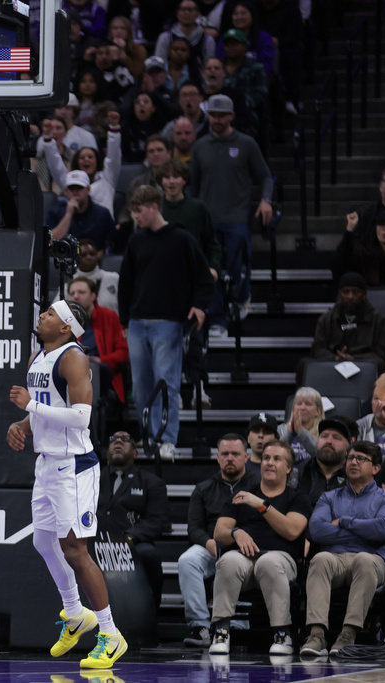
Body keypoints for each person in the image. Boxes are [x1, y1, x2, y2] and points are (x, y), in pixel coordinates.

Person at [4, 299, 126, 667]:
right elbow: (43, 405)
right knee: (43, 540)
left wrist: (31, 408)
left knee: (75, 549)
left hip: (75, 466)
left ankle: (110, 633)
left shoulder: (74, 358)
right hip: (47, 463)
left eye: (51, 313)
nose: (42, 315)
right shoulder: (36, 358)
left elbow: (80, 419)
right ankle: (75, 613)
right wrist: (22, 426)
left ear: (67, 326)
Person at [118, 186, 212, 460]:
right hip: (137, 322)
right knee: (141, 385)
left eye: (139, 210)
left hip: (168, 322)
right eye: (133, 211)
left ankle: (167, 439)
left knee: (166, 381)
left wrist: (199, 306)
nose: (136, 216)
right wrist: (125, 319)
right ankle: (148, 436)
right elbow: (126, 282)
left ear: (154, 207)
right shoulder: (136, 240)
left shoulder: (182, 238)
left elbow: (203, 277)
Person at [209, 440, 311, 656]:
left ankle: (282, 634)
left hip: (281, 561)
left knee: (268, 562)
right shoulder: (242, 494)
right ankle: (221, 631)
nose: (270, 463)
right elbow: (219, 531)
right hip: (244, 561)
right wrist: (235, 532)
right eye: (266, 458)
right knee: (228, 561)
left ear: (289, 467)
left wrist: (262, 505)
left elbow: (292, 530)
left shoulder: (297, 498)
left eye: (277, 459)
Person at [190, 93, 273, 335]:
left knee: (239, 262)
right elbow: (193, 185)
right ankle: (217, 319)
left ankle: (241, 295)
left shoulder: (246, 143)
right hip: (208, 218)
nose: (216, 119)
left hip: (237, 216)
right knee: (210, 271)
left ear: (231, 116)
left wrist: (266, 201)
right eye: (213, 115)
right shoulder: (200, 146)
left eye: (221, 115)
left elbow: (265, 176)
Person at [301, 440, 385, 657]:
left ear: (376, 468)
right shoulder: (329, 497)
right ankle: (317, 635)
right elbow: (317, 530)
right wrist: (366, 529)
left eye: (361, 459)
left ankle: (348, 634)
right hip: (336, 557)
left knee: (364, 560)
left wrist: (344, 521)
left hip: (373, 558)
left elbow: (384, 528)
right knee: (320, 559)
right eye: (350, 457)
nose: (354, 462)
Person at [179, 433, 260, 647]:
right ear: (217, 457)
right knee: (188, 560)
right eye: (225, 454)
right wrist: (209, 542)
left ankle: (237, 623)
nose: (230, 458)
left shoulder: (258, 485)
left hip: (247, 545)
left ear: (246, 456)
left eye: (235, 454)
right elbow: (194, 527)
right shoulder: (203, 488)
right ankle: (201, 626)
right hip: (212, 545)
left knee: (239, 559)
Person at [98, 430, 171, 609]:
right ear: (107, 451)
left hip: (132, 541)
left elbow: (158, 520)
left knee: (149, 555)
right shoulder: (92, 478)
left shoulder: (151, 482)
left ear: (135, 453)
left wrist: (129, 537)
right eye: (113, 439)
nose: (118, 442)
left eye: (125, 440)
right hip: (96, 540)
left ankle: (150, 613)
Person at [43, 110, 122, 219]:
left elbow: (114, 158)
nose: (86, 160)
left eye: (90, 157)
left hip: (104, 231)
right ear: (77, 162)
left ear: (97, 161)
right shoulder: (70, 180)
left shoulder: (107, 178)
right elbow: (56, 165)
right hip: (77, 230)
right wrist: (48, 139)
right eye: (82, 157)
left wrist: (114, 130)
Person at [306, 272, 385, 375]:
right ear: (339, 294)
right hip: (334, 360)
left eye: (355, 292)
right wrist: (335, 357)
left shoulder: (379, 320)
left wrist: (354, 358)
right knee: (303, 364)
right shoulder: (326, 319)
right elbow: (317, 348)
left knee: (379, 364)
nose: (350, 296)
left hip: (364, 361)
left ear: (364, 294)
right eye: (346, 292)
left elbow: (381, 352)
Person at [66, 276, 128, 404]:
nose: (75, 296)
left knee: (98, 370)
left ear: (93, 296)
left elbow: (124, 352)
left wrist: (101, 360)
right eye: (72, 293)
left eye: (81, 292)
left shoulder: (110, 317)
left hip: (103, 379)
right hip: (73, 376)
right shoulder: (65, 321)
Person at [46, 171, 116, 250]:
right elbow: (51, 242)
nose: (75, 192)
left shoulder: (103, 214)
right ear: (66, 191)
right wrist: (68, 214)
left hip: (94, 259)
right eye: (72, 189)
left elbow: (111, 244)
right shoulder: (55, 213)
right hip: (65, 259)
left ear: (88, 189)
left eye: (79, 188)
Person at [294, 418, 351, 507]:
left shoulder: (353, 475)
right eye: (324, 436)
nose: (329, 441)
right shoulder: (302, 471)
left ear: (347, 449)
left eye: (336, 438)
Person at [155, 0, 217, 67]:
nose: (186, 13)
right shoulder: (165, 38)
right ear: (177, 13)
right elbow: (159, 65)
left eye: (190, 10)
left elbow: (210, 67)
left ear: (198, 14)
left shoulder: (207, 40)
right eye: (183, 9)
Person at [278, 386, 325, 465]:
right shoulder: (281, 430)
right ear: (293, 409)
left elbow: (322, 456)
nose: (303, 408)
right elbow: (276, 453)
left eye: (308, 404)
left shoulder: (324, 434)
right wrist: (290, 434)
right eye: (299, 404)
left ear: (318, 411)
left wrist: (301, 433)